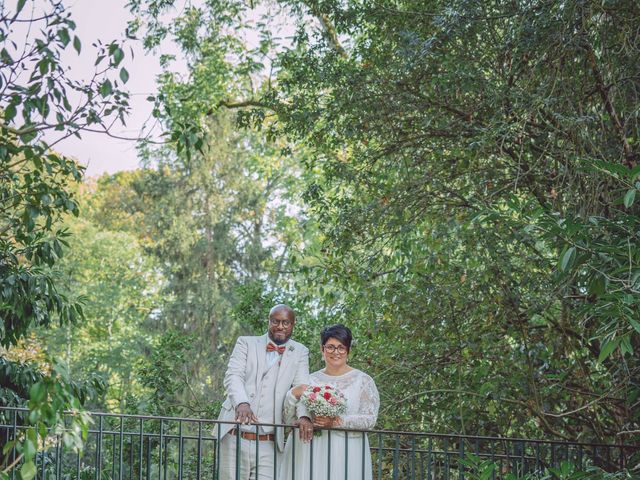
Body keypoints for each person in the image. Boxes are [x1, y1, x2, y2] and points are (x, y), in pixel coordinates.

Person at [216, 304, 314, 480]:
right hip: (234, 435)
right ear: (269, 321)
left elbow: (302, 388)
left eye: (286, 322)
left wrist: (304, 416)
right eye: (275, 321)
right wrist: (242, 402)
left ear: (293, 324)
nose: (280, 326)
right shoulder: (246, 342)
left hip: (269, 441)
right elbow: (233, 375)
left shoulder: (300, 351)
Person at [279, 324, 380, 480]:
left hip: (346, 451)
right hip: (310, 450)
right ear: (322, 349)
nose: (336, 352)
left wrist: (335, 421)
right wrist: (292, 394)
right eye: (330, 347)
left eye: (341, 348)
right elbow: (289, 419)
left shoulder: (363, 381)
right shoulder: (309, 380)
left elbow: (370, 419)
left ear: (348, 351)